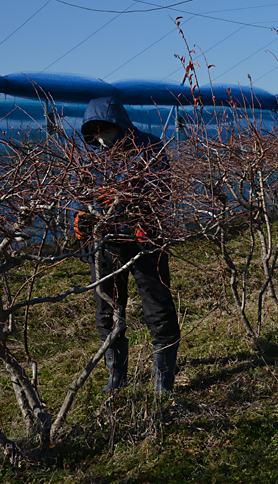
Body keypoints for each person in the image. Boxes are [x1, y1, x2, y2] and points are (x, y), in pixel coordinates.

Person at [73, 96, 180, 393]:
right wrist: (81, 216)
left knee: (158, 308)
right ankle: (116, 373)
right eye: (93, 131)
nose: (100, 137)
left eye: (104, 129)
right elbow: (79, 192)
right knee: (107, 310)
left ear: (119, 124)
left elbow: (160, 187)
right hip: (106, 242)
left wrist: (134, 207)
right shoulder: (88, 155)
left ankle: (163, 379)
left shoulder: (149, 146)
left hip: (145, 239)